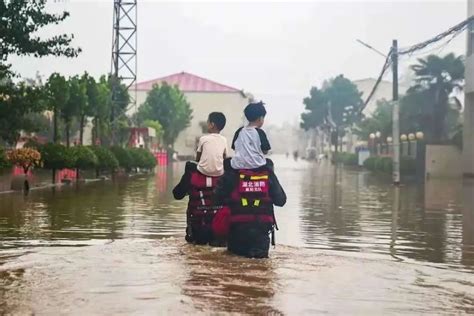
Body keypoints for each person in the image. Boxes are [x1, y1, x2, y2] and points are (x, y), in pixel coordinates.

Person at [172, 112, 228, 245]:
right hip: (219, 233)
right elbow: (225, 156)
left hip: (198, 232)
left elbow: (177, 195)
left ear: (212, 124)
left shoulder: (192, 174)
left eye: (208, 122)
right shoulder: (226, 178)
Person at [214, 158, 286, 258]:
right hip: (261, 232)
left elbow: (216, 199)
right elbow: (281, 201)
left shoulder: (231, 173)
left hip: (237, 231)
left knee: (234, 267)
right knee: (259, 268)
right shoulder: (268, 174)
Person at [230, 101, 271, 170]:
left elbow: (235, 148)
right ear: (260, 118)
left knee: (227, 162)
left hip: (239, 166)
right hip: (257, 167)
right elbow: (265, 151)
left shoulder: (239, 131)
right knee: (269, 163)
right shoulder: (260, 132)